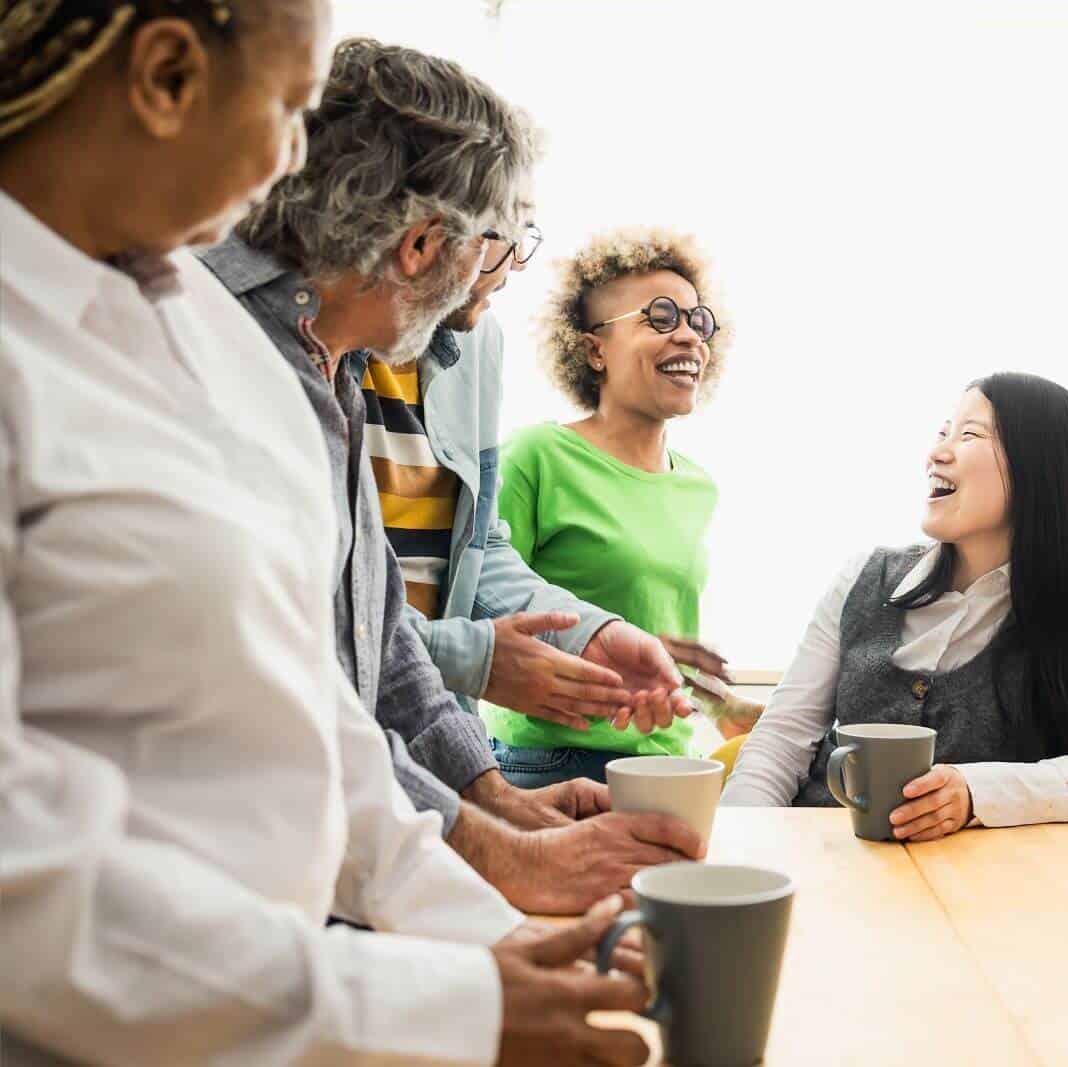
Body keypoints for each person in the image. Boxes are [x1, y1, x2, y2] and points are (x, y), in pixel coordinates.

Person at [0, 4, 648, 1065]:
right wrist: (424, 1001)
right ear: (166, 78)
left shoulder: (207, 334)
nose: (301, 167)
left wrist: (488, 941)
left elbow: (312, 714)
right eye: (293, 109)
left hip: (279, 1004)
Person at [201, 39, 705, 914]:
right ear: (424, 242)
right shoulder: (219, 344)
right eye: (491, 246)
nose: (492, 279)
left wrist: (494, 801)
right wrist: (496, 848)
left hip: (350, 850)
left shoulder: (339, 359)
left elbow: (379, 629)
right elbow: (287, 697)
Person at [721, 373, 1068, 839]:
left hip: (983, 893)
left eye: (970, 435)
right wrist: (739, 847)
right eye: (942, 433)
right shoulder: (861, 576)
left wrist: (976, 792)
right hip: (825, 867)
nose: (937, 453)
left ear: (1038, 467)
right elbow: (779, 743)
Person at [488, 227, 759, 788]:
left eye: (698, 320)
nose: (688, 337)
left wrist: (718, 704)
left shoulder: (696, 485)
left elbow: (656, 635)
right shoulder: (537, 457)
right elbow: (483, 614)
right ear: (594, 349)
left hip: (669, 765)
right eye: (660, 318)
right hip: (551, 765)